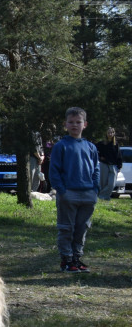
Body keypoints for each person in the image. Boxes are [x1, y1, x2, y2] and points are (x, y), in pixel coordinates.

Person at [49, 107, 99, 273]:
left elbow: (96, 169)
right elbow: (54, 171)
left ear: (85, 124)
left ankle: (77, 257)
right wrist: (62, 190)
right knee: (66, 228)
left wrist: (95, 188)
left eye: (78, 122)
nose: (74, 125)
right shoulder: (61, 146)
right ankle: (67, 260)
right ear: (65, 125)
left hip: (88, 194)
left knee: (82, 227)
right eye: (71, 122)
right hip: (68, 194)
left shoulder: (91, 147)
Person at [96, 126, 122, 201]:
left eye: (112, 132)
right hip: (104, 164)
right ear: (106, 133)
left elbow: (119, 156)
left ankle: (101, 196)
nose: (110, 134)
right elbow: (94, 151)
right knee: (103, 183)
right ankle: (104, 199)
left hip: (113, 166)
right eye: (109, 132)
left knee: (111, 184)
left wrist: (119, 166)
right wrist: (100, 157)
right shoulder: (101, 143)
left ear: (114, 133)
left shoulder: (115, 144)